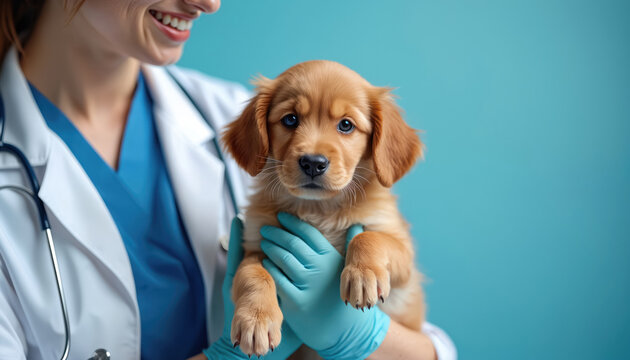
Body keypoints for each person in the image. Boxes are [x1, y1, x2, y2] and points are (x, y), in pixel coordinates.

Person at [0, 0, 457, 359]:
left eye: (344, 126)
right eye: (293, 121)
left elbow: (429, 346)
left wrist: (358, 337)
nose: (209, 2)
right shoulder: (266, 123)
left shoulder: (229, 112)